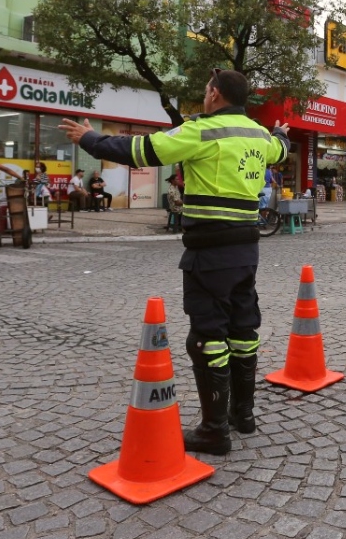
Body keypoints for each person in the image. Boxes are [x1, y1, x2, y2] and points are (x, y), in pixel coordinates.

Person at [59, 68, 289, 456]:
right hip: (247, 250)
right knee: (243, 327)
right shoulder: (259, 136)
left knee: (207, 336)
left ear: (215, 94)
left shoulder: (202, 132)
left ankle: (214, 431)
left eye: (205, 89)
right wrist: (280, 131)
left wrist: (91, 140)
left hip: (209, 250)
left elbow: (140, 151)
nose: (204, 95)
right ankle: (242, 415)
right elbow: (281, 149)